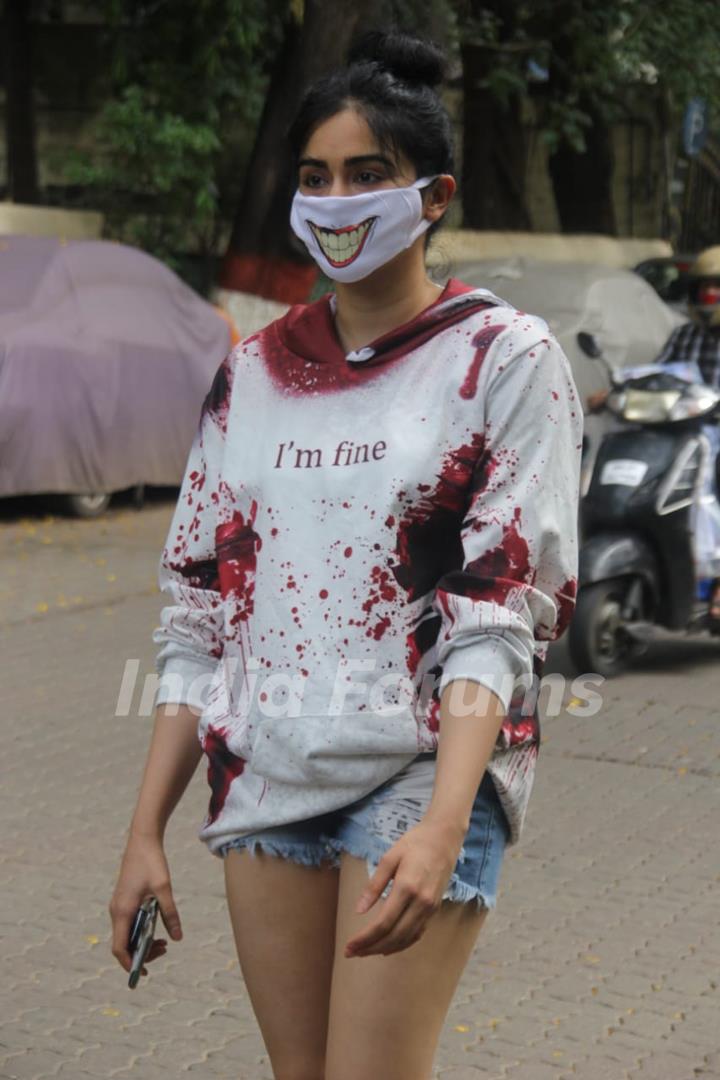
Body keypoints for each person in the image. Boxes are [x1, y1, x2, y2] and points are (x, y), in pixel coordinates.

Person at [109, 31, 582, 1080]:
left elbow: (501, 609)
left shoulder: (504, 360)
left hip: (420, 774)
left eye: (369, 175)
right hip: (267, 770)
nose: (336, 201)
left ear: (435, 194)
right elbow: (196, 615)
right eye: (314, 177)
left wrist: (448, 822)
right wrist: (147, 831)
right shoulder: (253, 375)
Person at [588, 245, 720, 617]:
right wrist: (616, 392)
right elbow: (657, 375)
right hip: (680, 432)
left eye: (716, 291)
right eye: (703, 290)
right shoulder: (684, 336)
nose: (708, 299)